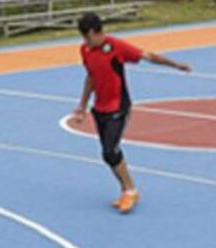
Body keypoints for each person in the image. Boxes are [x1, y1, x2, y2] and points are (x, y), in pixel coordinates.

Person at [72, 12, 191, 213]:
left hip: (118, 107)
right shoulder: (85, 50)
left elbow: (147, 56)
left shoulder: (116, 47)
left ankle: (130, 190)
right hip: (99, 108)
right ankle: (126, 190)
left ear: (94, 32)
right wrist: (82, 106)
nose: (85, 42)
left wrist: (175, 64)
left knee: (110, 150)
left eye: (86, 37)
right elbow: (91, 77)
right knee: (108, 155)